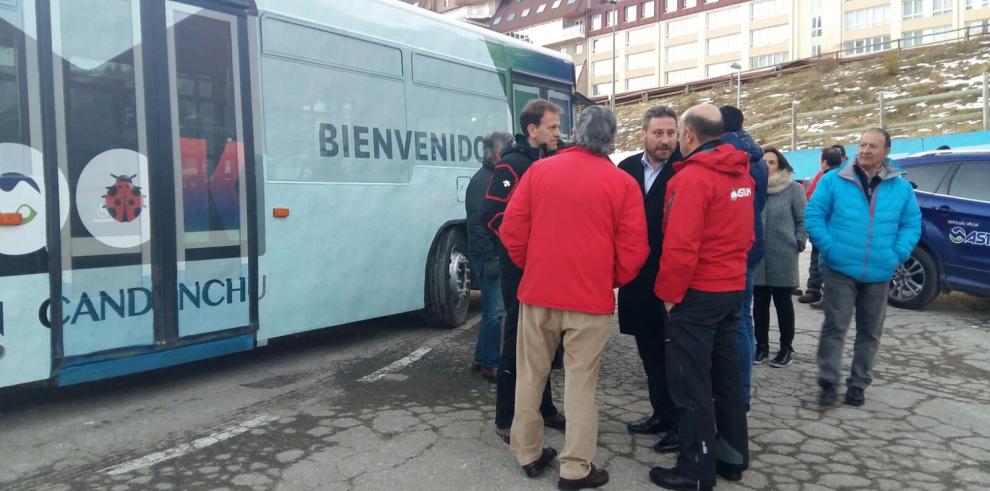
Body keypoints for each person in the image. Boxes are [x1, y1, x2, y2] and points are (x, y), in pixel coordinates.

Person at [500, 105, 649, 489]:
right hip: (590, 300)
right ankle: (576, 467)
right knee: (582, 385)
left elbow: (512, 229)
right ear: (611, 138)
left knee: (530, 375)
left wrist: (533, 266)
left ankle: (528, 452)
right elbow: (634, 251)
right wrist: (607, 278)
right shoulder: (622, 184)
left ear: (575, 131)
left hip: (537, 294)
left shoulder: (539, 171)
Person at [649, 104, 753, 490]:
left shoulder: (692, 179)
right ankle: (732, 455)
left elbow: (680, 246)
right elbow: (747, 233)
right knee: (726, 376)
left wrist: (670, 296)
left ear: (688, 135)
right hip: (731, 288)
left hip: (698, 292)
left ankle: (695, 469)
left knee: (690, 382)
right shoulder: (741, 172)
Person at [806, 128, 921, 407]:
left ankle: (858, 383)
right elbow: (814, 215)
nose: (866, 150)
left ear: (886, 152)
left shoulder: (901, 187)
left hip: (880, 271)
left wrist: (898, 253)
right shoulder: (834, 180)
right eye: (862, 145)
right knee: (835, 326)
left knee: (870, 332)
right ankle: (828, 382)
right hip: (840, 268)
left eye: (873, 146)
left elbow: (911, 223)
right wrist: (830, 248)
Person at [480, 99, 565, 444]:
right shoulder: (512, 166)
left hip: (546, 269)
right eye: (553, 127)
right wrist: (524, 248)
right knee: (516, 343)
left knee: (544, 340)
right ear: (533, 130)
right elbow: (491, 215)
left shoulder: (551, 160)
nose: (559, 132)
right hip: (519, 269)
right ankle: (505, 418)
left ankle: (544, 409)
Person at [616, 106, 681, 451]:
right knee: (649, 352)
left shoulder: (685, 169)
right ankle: (661, 413)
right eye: (658, 133)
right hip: (637, 278)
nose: (666, 140)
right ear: (643, 134)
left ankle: (680, 425)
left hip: (673, 277)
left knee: (676, 358)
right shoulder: (625, 169)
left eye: (671, 133)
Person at [718, 105, 768, 412]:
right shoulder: (759, 159)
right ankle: (744, 392)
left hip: (730, 248)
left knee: (731, 323)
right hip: (752, 243)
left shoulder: (725, 156)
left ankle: (735, 393)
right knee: (744, 321)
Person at [752, 148, 807, 368]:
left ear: (781, 165)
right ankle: (761, 346)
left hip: (784, 254)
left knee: (783, 303)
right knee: (760, 304)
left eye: (772, 162)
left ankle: (786, 348)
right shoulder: (755, 188)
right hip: (759, 256)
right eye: (763, 162)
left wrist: (798, 241)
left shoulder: (793, 189)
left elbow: (803, 219)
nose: (767, 166)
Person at [465, 131, 512, 382]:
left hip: (488, 253)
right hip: (488, 255)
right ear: (497, 155)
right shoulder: (484, 181)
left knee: (491, 311)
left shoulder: (489, 177)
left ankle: (481, 357)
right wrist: (491, 257)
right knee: (496, 311)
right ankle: (491, 365)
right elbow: (478, 225)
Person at [798, 146, 843, 306]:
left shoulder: (828, 179)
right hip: (838, 229)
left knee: (823, 263)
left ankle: (828, 298)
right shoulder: (846, 176)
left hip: (827, 229)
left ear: (824, 162)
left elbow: (817, 205)